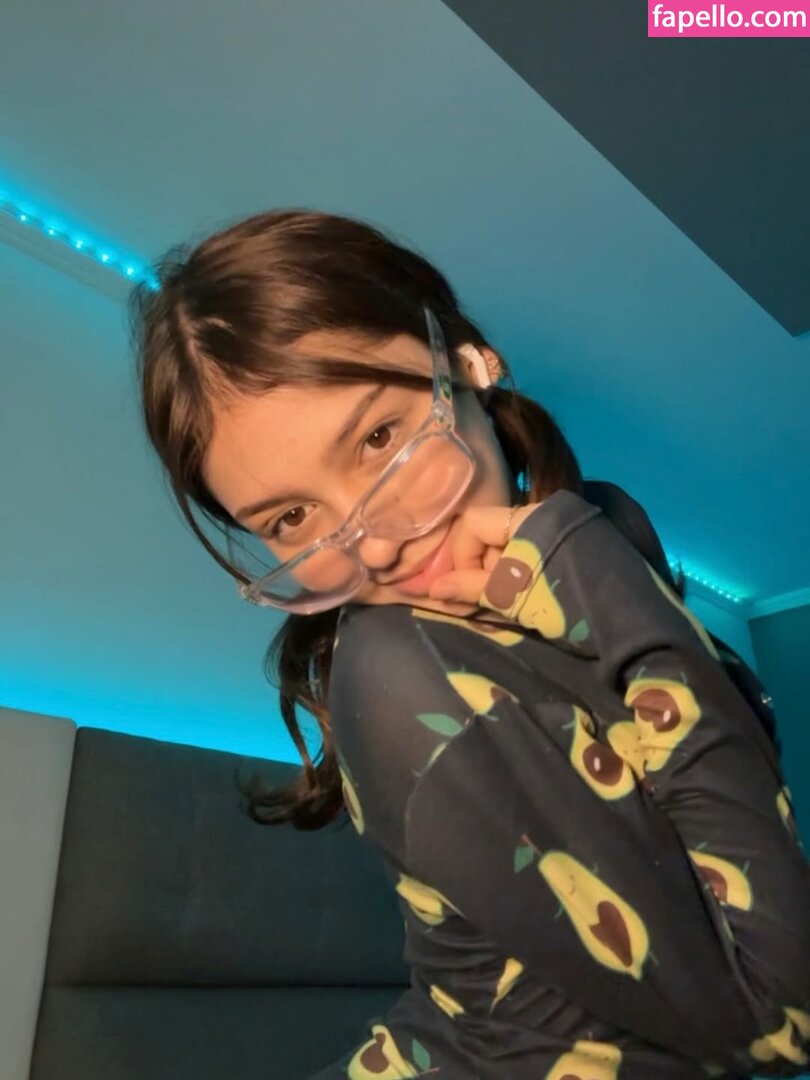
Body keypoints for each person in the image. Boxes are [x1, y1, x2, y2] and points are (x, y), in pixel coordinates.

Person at [128, 209, 810, 1080]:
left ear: (466, 363)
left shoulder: (598, 532)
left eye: (379, 438)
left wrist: (599, 580)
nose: (376, 545)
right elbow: (781, 1022)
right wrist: (611, 596)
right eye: (292, 517)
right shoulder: (401, 674)